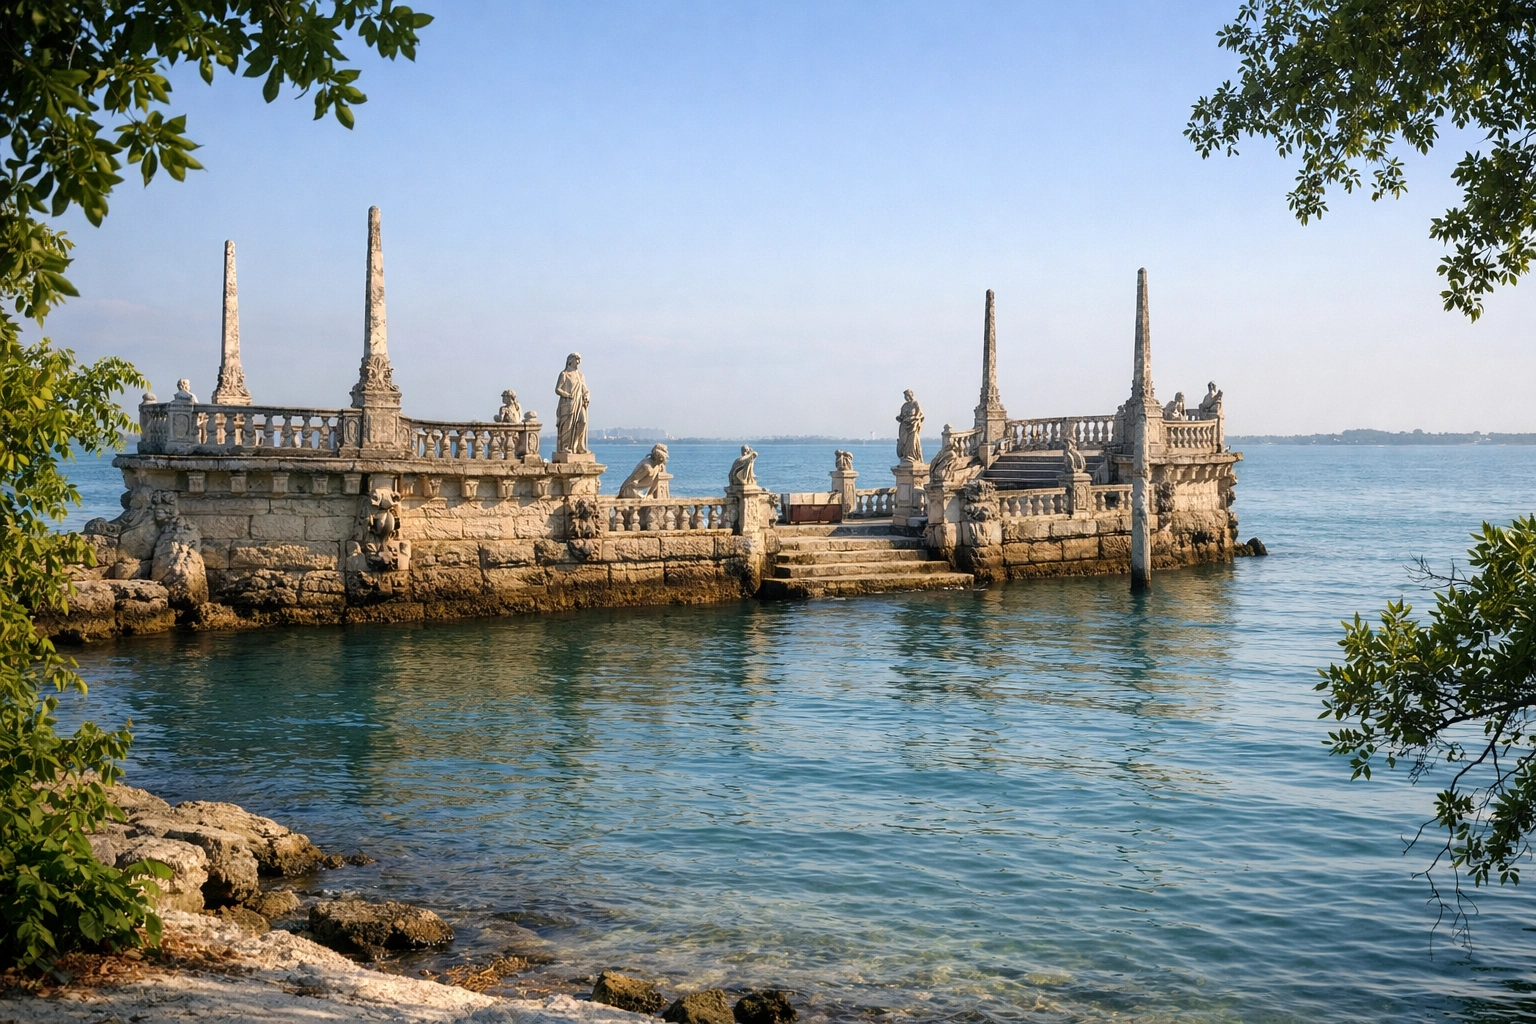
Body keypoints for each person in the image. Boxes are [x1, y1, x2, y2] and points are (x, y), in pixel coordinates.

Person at [554, 354, 589, 455]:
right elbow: (557, 389)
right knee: (568, 425)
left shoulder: (580, 375)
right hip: (568, 403)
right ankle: (565, 447)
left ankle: (579, 445)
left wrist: (586, 396)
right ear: (570, 361)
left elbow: (584, 388)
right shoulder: (564, 374)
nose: (578, 362)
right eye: (576, 359)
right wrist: (566, 394)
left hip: (579, 402)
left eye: (579, 360)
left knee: (583, 422)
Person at [896, 390, 924, 462]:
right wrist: (899, 418)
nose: (906, 397)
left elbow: (920, 414)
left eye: (907, 395)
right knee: (903, 440)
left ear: (911, 395)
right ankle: (905, 455)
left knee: (912, 440)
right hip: (904, 425)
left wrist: (914, 418)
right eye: (905, 396)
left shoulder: (915, 403)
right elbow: (901, 416)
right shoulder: (904, 405)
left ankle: (912, 456)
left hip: (913, 425)